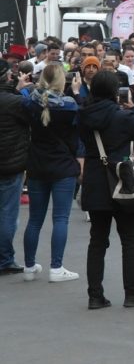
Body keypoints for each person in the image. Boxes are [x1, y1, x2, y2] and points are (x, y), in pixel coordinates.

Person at [79, 71, 134, 309]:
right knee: (130, 240)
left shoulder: (83, 115)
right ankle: (133, 292)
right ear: (115, 91)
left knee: (97, 241)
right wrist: (133, 109)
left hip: (95, 180)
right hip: (121, 180)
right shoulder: (122, 116)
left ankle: (95, 295)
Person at [22, 64, 82, 282]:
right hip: (62, 165)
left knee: (35, 219)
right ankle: (56, 268)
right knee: (60, 218)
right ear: (61, 81)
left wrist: (23, 87)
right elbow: (80, 124)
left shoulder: (30, 102)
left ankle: (29, 266)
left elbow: (24, 99)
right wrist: (75, 93)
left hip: (37, 164)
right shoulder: (69, 106)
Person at [0, 60, 30, 276]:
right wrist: (19, 92)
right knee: (8, 213)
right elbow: (30, 117)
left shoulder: (12, 98)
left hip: (11, 162)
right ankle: (5, 259)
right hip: (11, 163)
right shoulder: (13, 101)